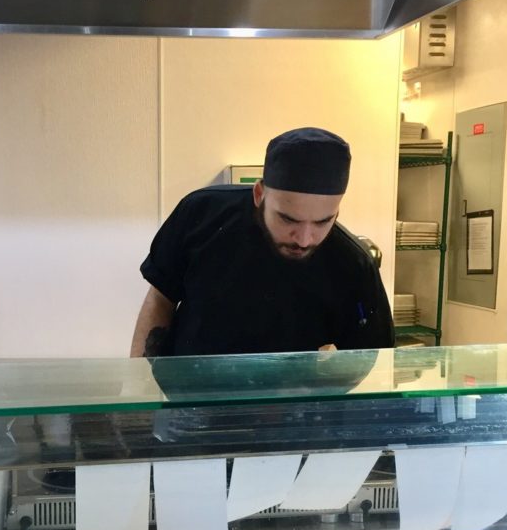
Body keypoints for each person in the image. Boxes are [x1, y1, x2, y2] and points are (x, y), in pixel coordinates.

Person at [130, 127, 395, 357]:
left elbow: (370, 358)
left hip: (289, 407)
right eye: (288, 219)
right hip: (187, 399)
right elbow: (160, 299)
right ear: (259, 194)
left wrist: (319, 391)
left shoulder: (353, 264)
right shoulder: (200, 214)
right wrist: (140, 390)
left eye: (322, 222)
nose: (304, 240)